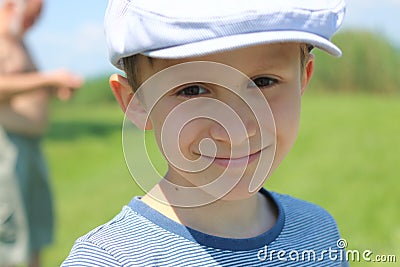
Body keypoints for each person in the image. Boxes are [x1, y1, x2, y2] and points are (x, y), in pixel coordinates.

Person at [63, 0, 349, 266]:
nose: (236, 132)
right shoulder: (110, 259)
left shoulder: (318, 232)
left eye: (263, 82)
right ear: (136, 103)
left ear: (303, 78)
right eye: (193, 90)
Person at [0, 0, 83, 266]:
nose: (32, 25)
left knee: (35, 228)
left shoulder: (19, 42)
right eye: (30, 17)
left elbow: (20, 85)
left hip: (30, 146)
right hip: (7, 146)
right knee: (10, 232)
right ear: (12, 6)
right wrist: (48, 79)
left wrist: (51, 89)